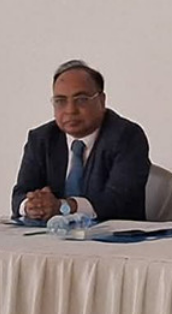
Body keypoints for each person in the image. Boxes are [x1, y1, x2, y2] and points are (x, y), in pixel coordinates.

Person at [11, 60, 150, 221]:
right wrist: (31, 206)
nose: (70, 110)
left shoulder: (126, 136)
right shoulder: (42, 139)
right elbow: (20, 195)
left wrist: (64, 207)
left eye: (81, 99)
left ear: (102, 100)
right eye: (60, 101)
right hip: (51, 235)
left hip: (112, 234)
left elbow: (119, 201)